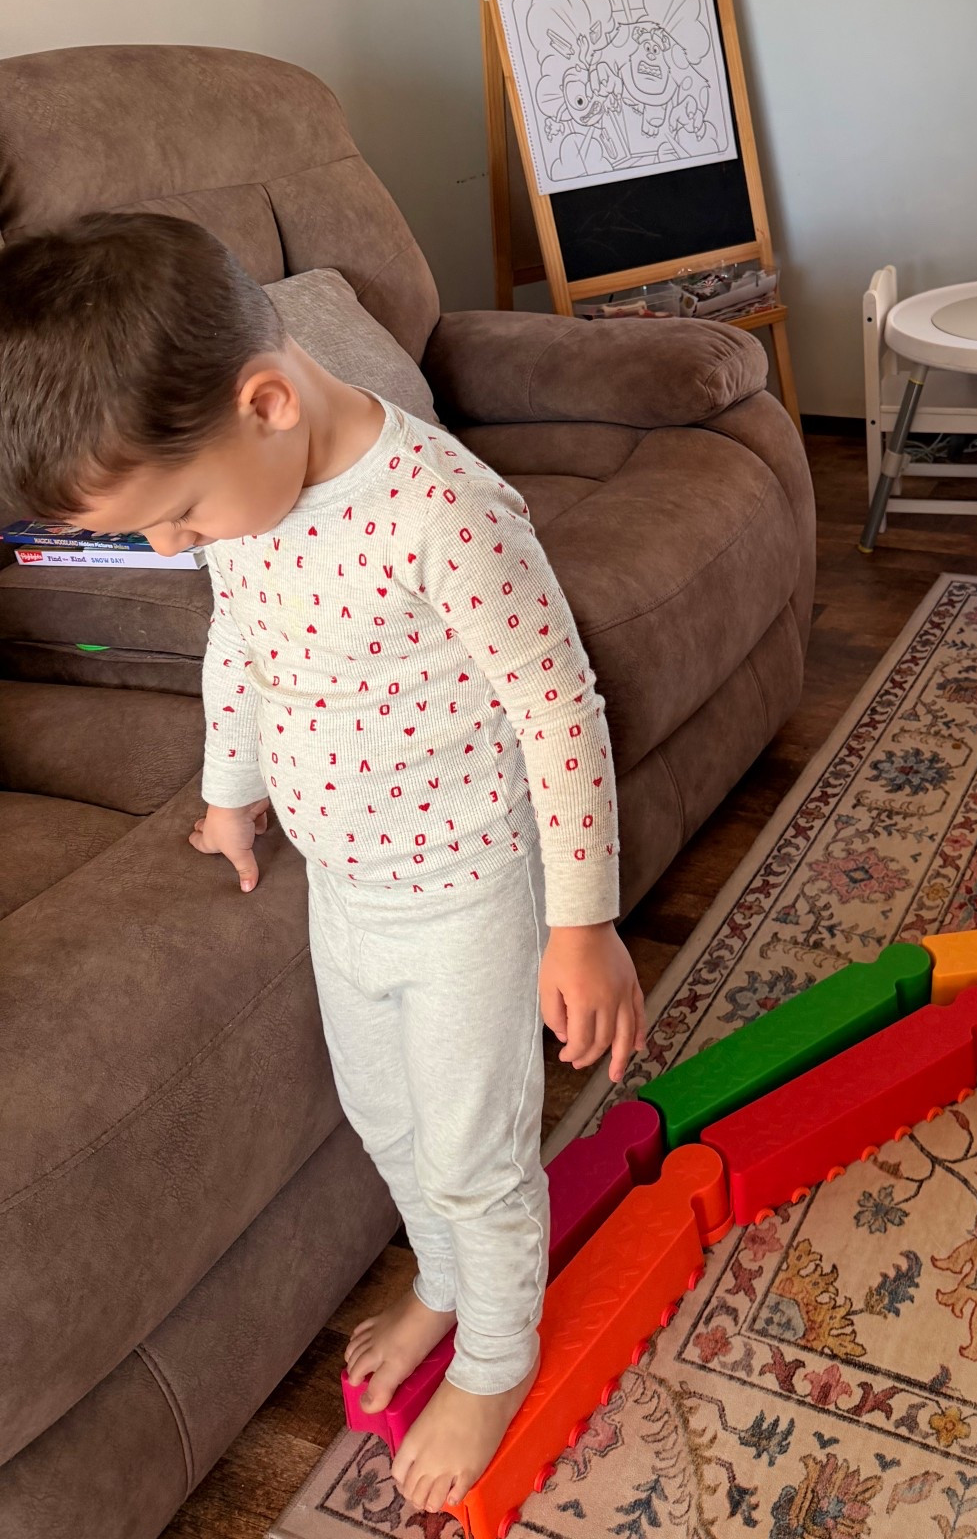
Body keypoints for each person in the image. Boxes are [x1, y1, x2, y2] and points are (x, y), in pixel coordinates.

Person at [0, 214, 648, 1516]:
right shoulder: (246, 496)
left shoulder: (443, 511)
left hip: (467, 889)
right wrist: (229, 792)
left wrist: (582, 925)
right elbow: (240, 641)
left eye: (174, 514)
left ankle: (498, 1358)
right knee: (386, 1118)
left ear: (268, 401)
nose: (170, 550)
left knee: (471, 1149)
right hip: (346, 884)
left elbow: (558, 707)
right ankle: (449, 1285)